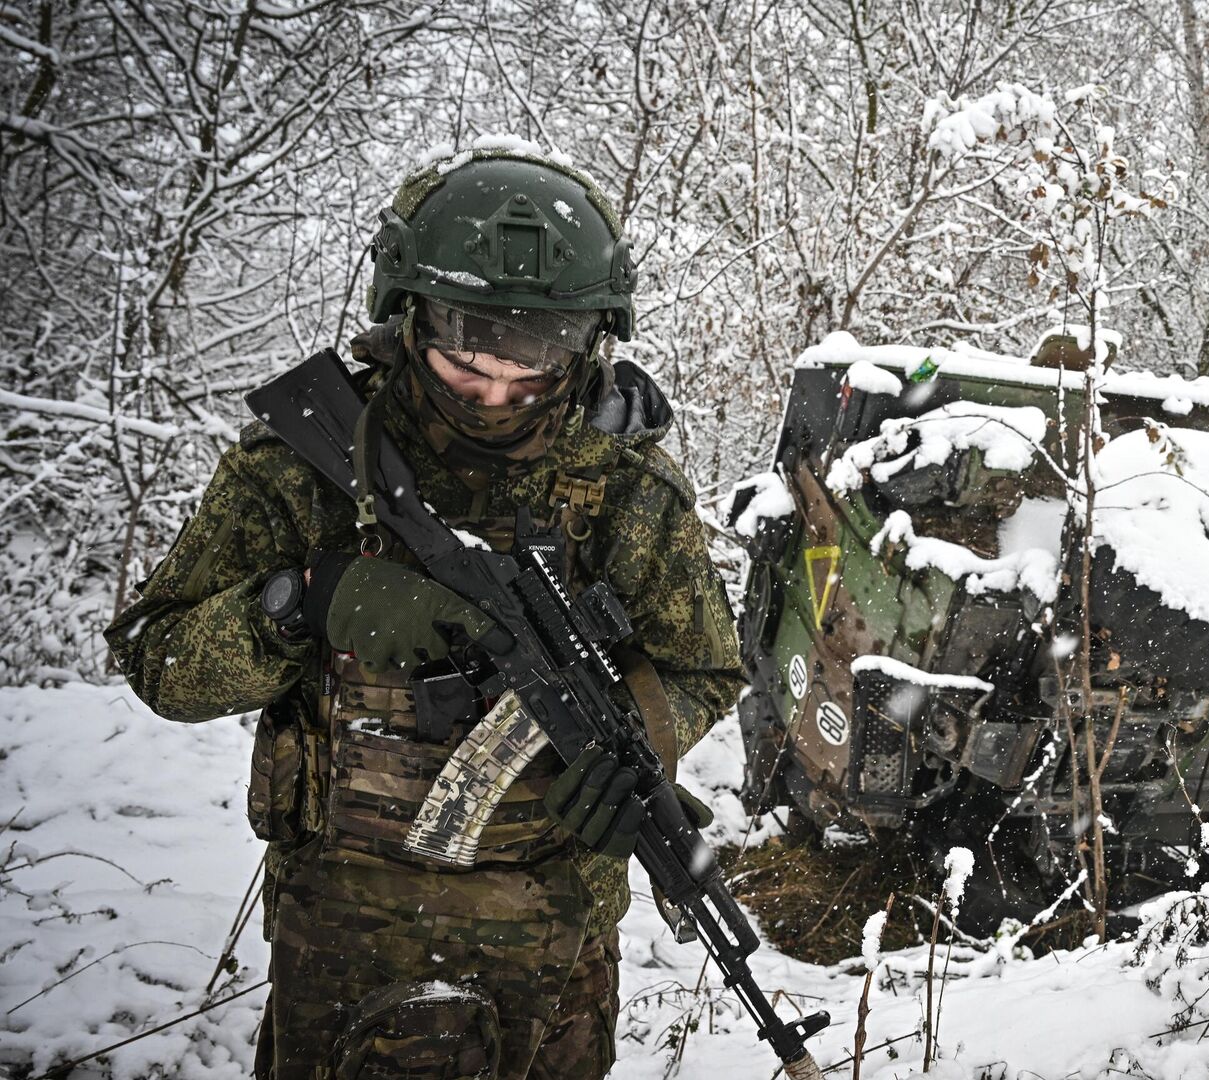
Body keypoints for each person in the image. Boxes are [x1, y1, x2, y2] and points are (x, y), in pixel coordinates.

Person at [104, 146, 745, 1079]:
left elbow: (706, 668)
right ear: (405, 314)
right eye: (465, 356)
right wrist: (303, 603)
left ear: (591, 342)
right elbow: (157, 660)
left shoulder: (624, 491)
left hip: (556, 937)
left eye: (534, 367)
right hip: (344, 929)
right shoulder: (304, 467)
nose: (494, 394)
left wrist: (632, 748)